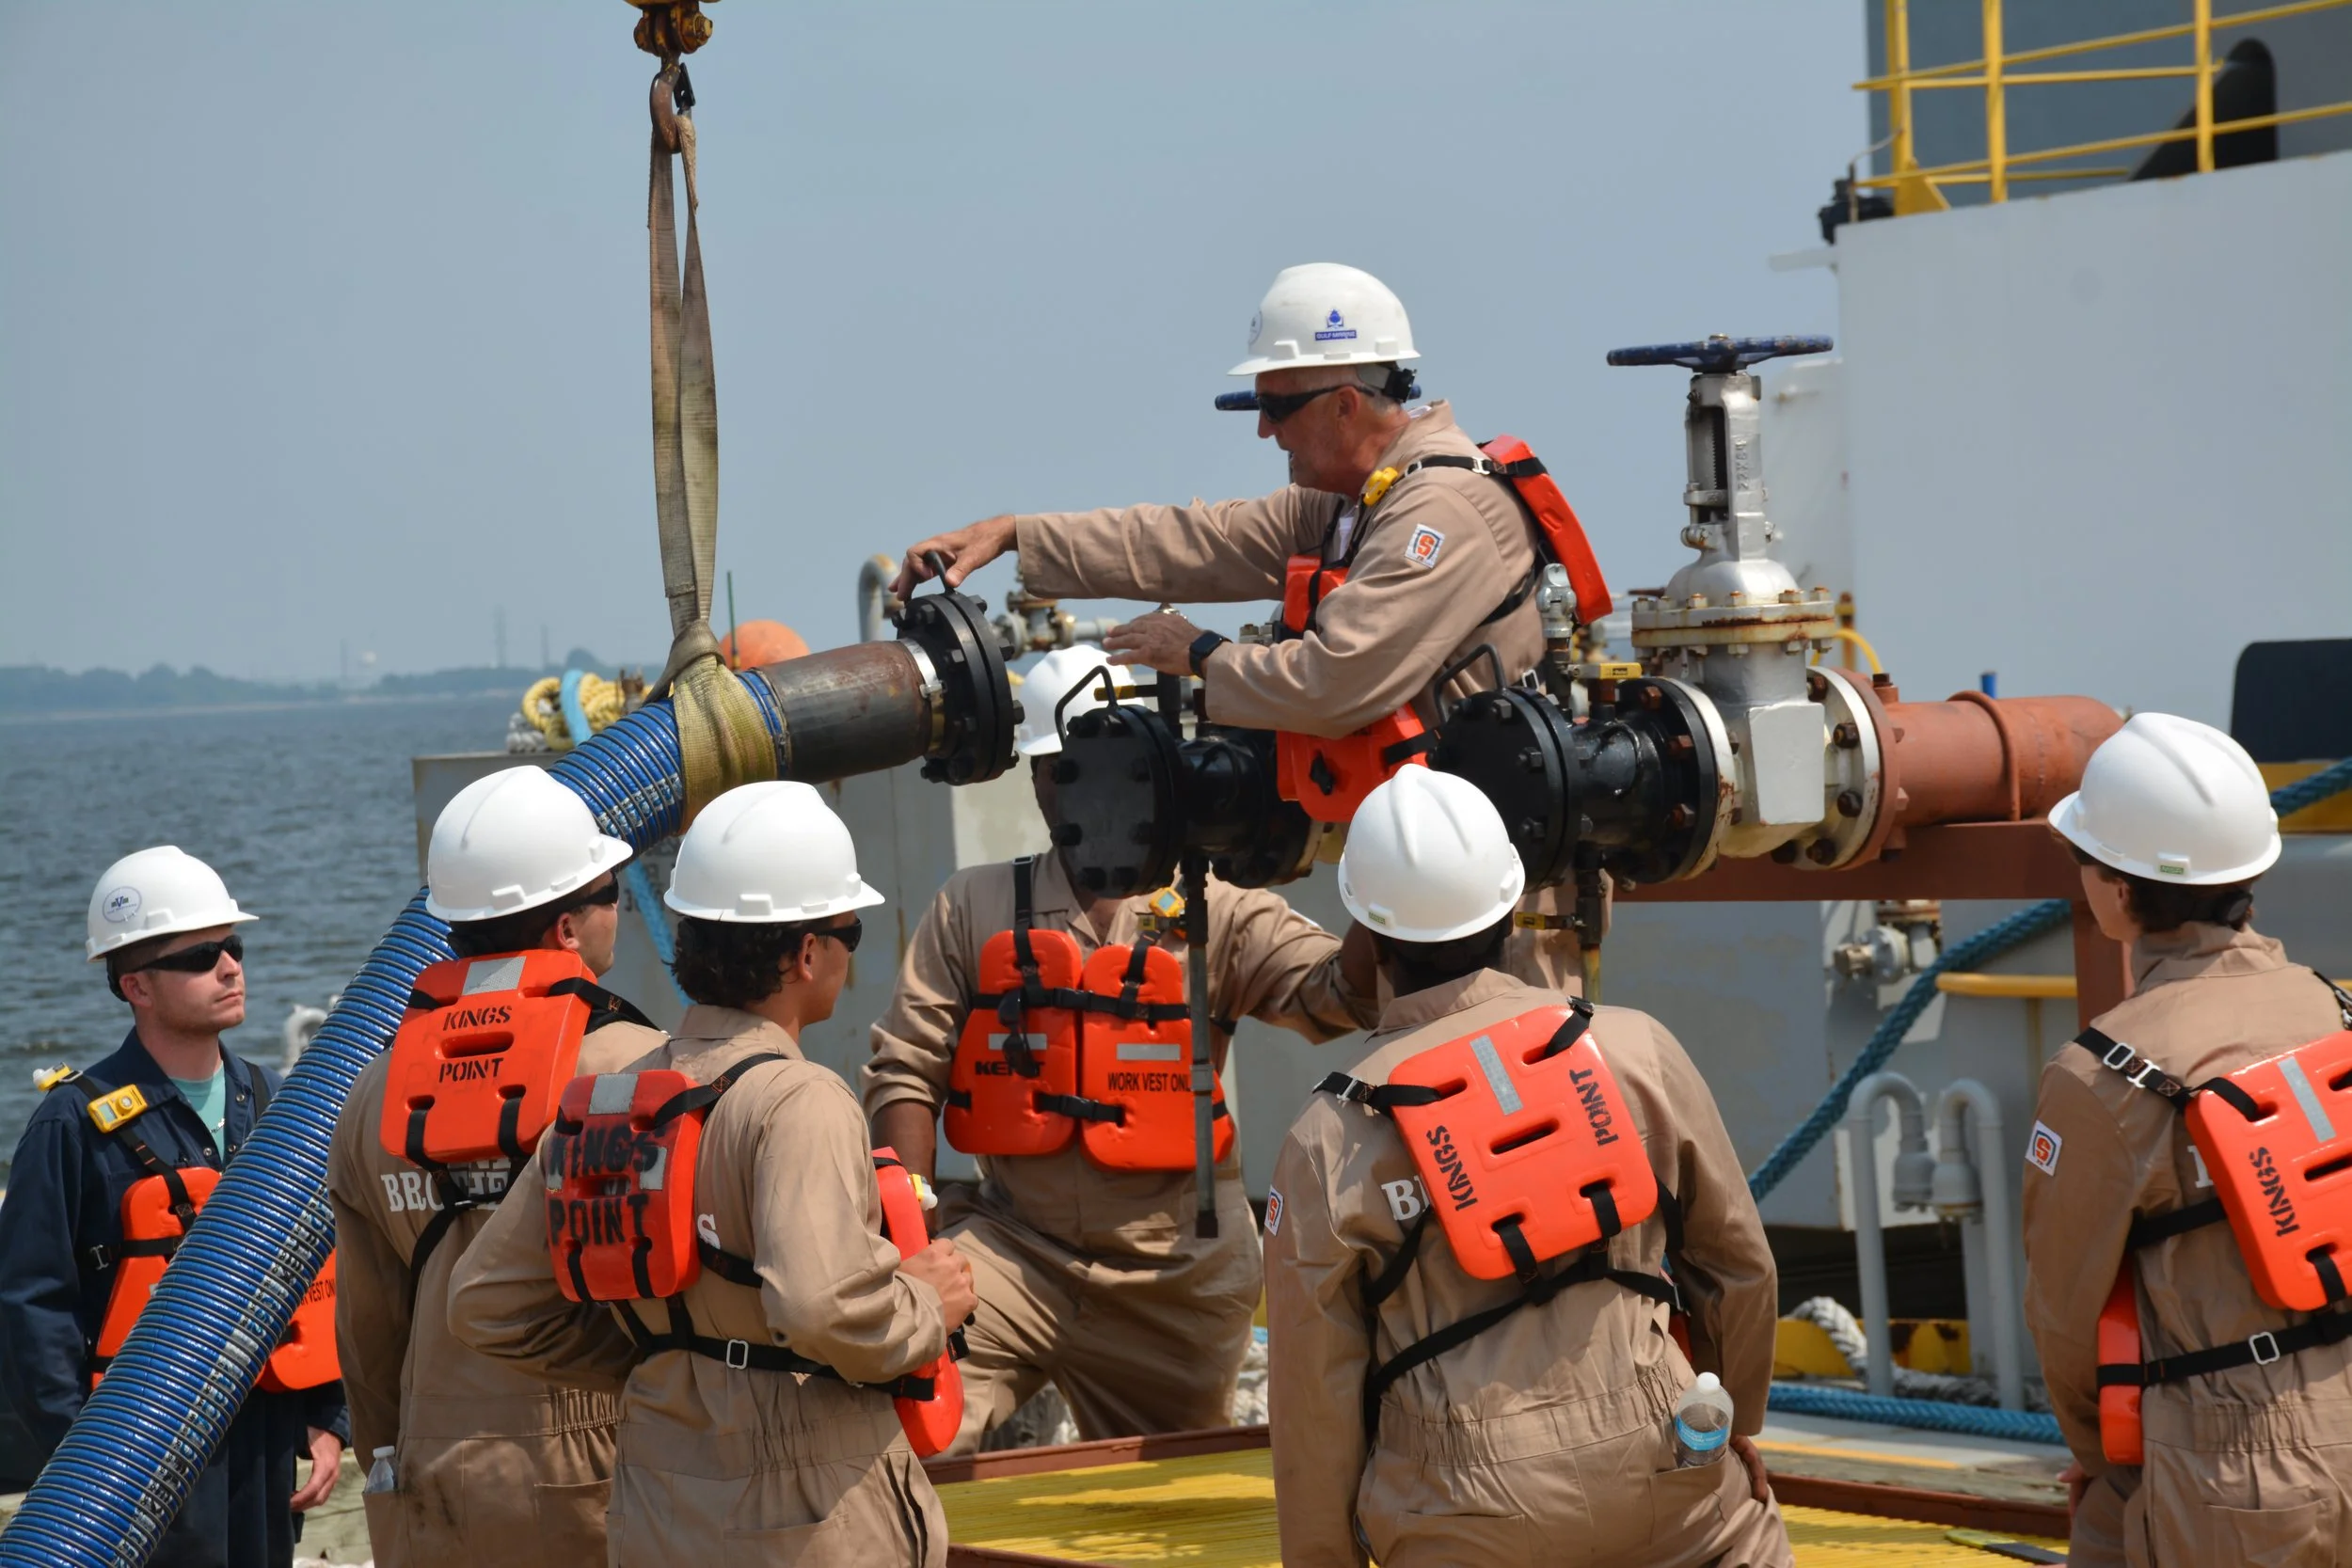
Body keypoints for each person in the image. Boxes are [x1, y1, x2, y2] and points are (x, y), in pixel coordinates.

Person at [895, 262, 1595, 987]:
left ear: (1346, 405)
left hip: (1501, 895)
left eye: (1277, 407)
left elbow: (1335, 680)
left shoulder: (1438, 511)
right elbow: (1193, 542)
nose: (1264, 429)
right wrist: (1017, 536)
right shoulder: (1354, 504)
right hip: (1431, 871)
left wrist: (1199, 654)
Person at [1263, 767, 1789, 1567]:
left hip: (1461, 1510)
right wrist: (1730, 1422)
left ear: (1365, 934)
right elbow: (1737, 1266)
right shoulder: (1633, 1049)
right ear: (1511, 906)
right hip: (1668, 1464)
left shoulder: (1330, 1133)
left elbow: (1313, 1392)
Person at [865, 644, 1379, 1452]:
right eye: (1060, 766)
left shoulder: (1221, 912)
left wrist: (1391, 863)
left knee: (1171, 1511)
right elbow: (906, 1066)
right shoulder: (975, 904)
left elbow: (1339, 993)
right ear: (1036, 777)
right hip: (1012, 1250)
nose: (1081, 786)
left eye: (1107, 764)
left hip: (1172, 1275)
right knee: (900, 1429)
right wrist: (912, 1241)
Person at [450, 780, 974, 1566]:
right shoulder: (799, 1098)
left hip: (658, 1496)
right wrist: (923, 1303)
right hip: (803, 1504)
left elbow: (486, 1302)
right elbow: (823, 1305)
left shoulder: (604, 1101)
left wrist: (665, 1355)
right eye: (849, 930)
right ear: (806, 951)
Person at [2023, 713, 2352, 1567]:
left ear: (2119, 890)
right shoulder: (2338, 1011)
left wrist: (2106, 1460)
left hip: (2230, 1460)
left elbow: (2064, 1318)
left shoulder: (2102, 1076)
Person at [326, 768, 667, 1565]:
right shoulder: (640, 1071)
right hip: (600, 1460)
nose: (618, 908)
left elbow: (369, 1338)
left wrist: (392, 1465)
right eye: (610, 890)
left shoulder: (373, 1091)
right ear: (567, 929)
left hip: (430, 1461)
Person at [0, 847, 348, 1567]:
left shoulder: (274, 1101)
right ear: (136, 985)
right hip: (134, 1451)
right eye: (199, 956)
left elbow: (320, 1270)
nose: (229, 967)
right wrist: (89, 1466)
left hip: (262, 1443)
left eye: (233, 947)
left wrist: (326, 1416)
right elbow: (33, 1305)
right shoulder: (73, 1126)